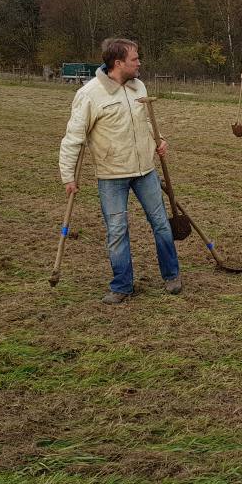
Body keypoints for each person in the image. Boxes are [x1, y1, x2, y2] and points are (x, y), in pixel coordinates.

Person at [59, 38, 181, 305]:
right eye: (135, 59)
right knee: (117, 231)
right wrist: (68, 176)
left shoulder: (139, 86)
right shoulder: (89, 94)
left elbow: (146, 122)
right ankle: (122, 286)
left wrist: (158, 140)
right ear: (118, 63)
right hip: (111, 175)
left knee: (161, 224)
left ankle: (172, 275)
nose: (139, 63)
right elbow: (73, 138)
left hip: (145, 171)